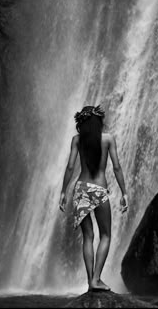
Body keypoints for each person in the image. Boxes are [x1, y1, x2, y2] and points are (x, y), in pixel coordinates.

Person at [59, 105, 128, 292]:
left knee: (88, 237)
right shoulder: (108, 139)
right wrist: (124, 192)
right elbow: (117, 167)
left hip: (80, 189)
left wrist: (64, 191)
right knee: (105, 235)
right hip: (98, 189)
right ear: (99, 121)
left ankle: (91, 281)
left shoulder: (76, 140)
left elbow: (70, 167)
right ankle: (97, 279)